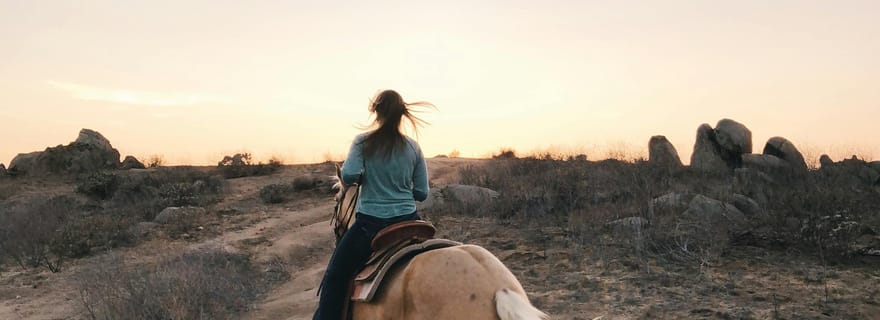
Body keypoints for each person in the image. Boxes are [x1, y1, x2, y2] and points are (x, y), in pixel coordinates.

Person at [313, 89, 432, 320]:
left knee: (335, 277)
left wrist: (366, 175)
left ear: (376, 112)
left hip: (371, 225)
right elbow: (422, 192)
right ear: (401, 115)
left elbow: (347, 176)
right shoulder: (413, 147)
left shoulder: (363, 141)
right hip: (410, 222)